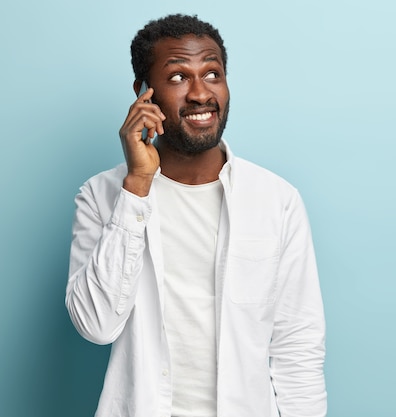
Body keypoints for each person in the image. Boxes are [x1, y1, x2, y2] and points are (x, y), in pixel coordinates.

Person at [65, 14, 326, 417]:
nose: (200, 93)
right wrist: (136, 185)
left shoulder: (276, 200)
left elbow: (298, 344)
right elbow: (96, 326)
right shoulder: (101, 196)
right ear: (143, 94)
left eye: (212, 73)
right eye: (177, 78)